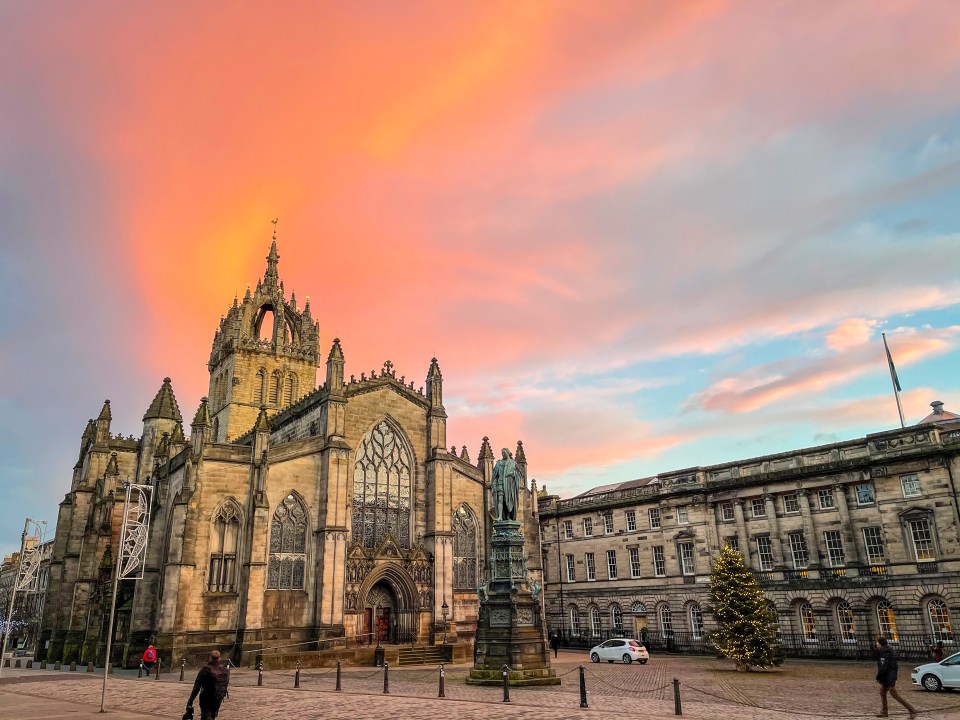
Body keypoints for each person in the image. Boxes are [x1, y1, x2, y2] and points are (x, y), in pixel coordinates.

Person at [874, 637, 917, 719]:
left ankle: (912, 710)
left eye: (877, 642)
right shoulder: (883, 652)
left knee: (895, 695)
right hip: (886, 677)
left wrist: (878, 677)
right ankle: (884, 711)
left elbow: (885, 667)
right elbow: (877, 658)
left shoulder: (886, 654)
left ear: (880, 643)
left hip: (889, 677)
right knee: (882, 693)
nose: (876, 644)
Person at [187, 651, 229, 720]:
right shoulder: (225, 670)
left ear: (210, 658)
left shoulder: (205, 670)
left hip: (206, 698)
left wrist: (190, 701)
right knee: (213, 716)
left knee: (206, 715)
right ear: (219, 658)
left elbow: (197, 687)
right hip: (218, 698)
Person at [491, 448, 521, 522]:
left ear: (508, 453)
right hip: (500, 483)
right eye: (502, 453)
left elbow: (519, 474)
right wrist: (494, 485)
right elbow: (494, 476)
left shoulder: (513, 463)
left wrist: (513, 474)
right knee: (500, 500)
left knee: (508, 502)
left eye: (504, 453)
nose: (503, 454)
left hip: (509, 486)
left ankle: (508, 516)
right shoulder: (498, 464)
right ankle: (500, 516)